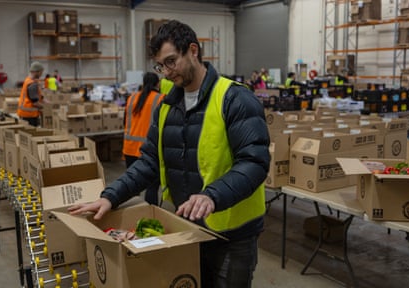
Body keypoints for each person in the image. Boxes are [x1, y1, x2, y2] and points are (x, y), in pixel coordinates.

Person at [69, 20, 270, 288]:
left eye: (171, 61)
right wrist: (111, 197)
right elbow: (150, 162)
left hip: (232, 235)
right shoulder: (167, 106)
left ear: (193, 51)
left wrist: (213, 195)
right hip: (188, 227)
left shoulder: (234, 99)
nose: (166, 72)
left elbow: (255, 162)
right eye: (160, 66)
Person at [123, 72, 165, 205]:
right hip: (149, 151)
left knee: (133, 186)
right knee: (152, 188)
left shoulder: (131, 98)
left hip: (129, 149)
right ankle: (150, 215)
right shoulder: (161, 99)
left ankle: (132, 214)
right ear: (157, 84)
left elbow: (125, 121)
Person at [17, 61, 44, 127]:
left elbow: (39, 97)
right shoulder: (32, 84)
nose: (41, 74)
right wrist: (46, 107)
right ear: (37, 72)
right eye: (41, 72)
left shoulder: (28, 80)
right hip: (29, 115)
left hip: (25, 113)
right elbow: (35, 102)